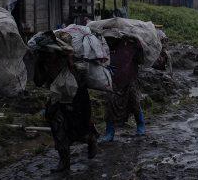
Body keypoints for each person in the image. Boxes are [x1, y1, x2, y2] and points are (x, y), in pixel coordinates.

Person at [33, 36, 99, 172]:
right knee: (58, 129)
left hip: (77, 100)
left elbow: (79, 80)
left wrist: (69, 61)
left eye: (48, 55)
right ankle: (64, 161)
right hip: (57, 100)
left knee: (79, 128)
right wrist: (38, 63)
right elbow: (38, 82)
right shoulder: (42, 63)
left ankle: (91, 139)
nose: (47, 57)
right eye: (43, 54)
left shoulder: (69, 60)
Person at [104, 35, 146, 141]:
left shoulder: (133, 46)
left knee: (135, 103)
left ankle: (141, 126)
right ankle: (110, 132)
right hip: (113, 82)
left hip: (130, 79)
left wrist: (139, 47)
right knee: (110, 106)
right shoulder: (107, 46)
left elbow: (141, 60)